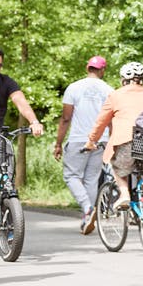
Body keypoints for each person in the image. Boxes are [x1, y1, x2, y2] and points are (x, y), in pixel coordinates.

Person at [84, 62, 143, 211]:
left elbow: (101, 122)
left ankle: (124, 194)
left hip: (126, 140)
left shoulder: (115, 95)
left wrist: (91, 141)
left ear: (123, 79)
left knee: (116, 166)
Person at [54, 56, 112, 233]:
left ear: (88, 68)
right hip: (101, 139)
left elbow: (66, 118)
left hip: (79, 138)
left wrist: (58, 143)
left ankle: (87, 208)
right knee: (91, 179)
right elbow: (111, 120)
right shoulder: (109, 90)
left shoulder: (74, 87)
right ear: (102, 71)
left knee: (71, 176)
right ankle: (87, 217)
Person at [0, 46, 45, 192]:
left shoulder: (6, 82)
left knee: (8, 176)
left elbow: (21, 102)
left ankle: (7, 204)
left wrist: (34, 122)